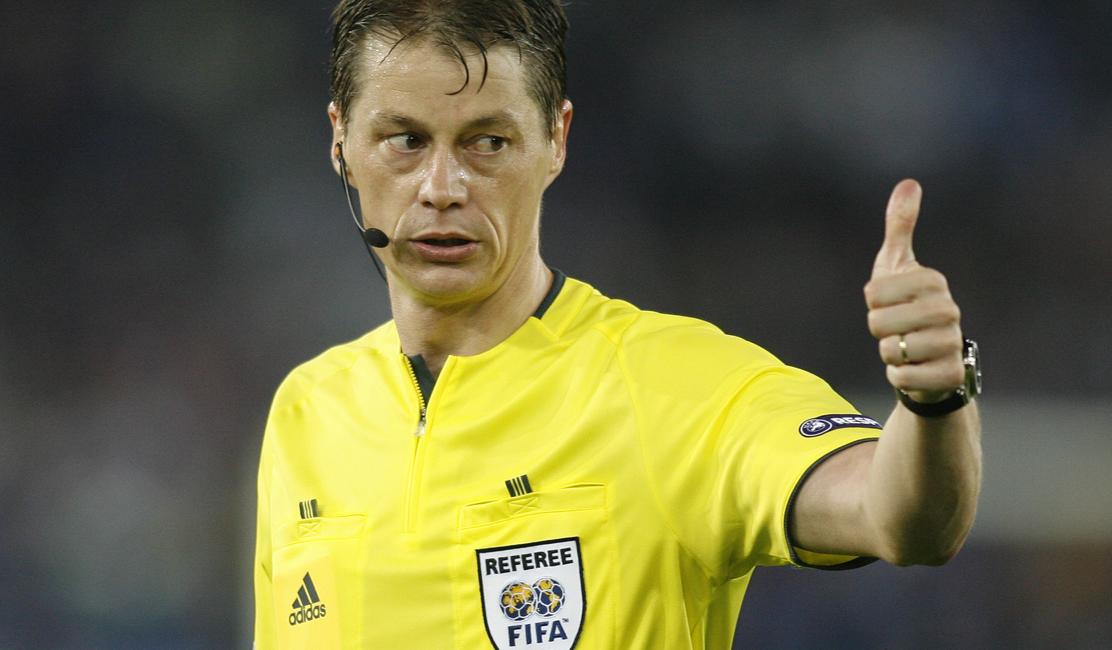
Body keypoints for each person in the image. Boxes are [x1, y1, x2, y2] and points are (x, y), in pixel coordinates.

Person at [252, 1, 983, 648]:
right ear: (340, 141)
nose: (442, 188)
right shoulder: (305, 412)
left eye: (488, 142)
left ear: (556, 139)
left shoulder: (672, 385)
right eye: (405, 140)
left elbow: (901, 519)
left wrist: (935, 398)